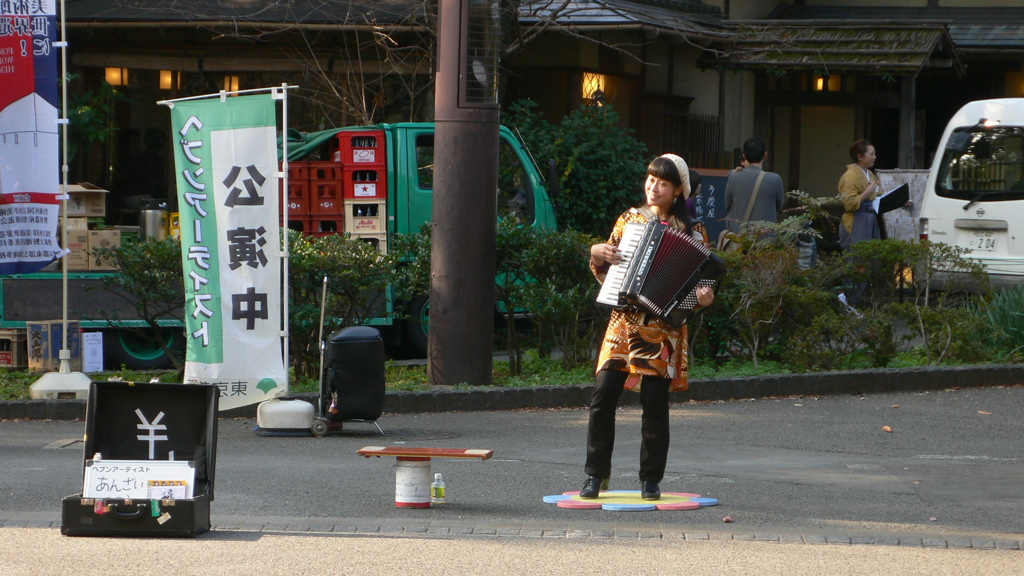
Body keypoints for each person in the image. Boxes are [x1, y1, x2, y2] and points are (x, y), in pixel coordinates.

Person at [581, 154, 715, 501]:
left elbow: (700, 288)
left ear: (678, 191)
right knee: (602, 396)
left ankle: (650, 479)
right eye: (651, 179)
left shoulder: (694, 233)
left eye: (663, 183)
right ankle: (595, 475)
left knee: (655, 405)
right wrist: (596, 253)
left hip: (661, 330)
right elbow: (606, 265)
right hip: (623, 324)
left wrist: (702, 299)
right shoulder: (629, 219)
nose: (653, 187)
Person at [723, 137, 785, 236]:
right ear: (765, 155)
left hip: (738, 240)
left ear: (744, 155)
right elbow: (779, 206)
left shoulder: (734, 177)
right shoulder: (774, 179)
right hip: (766, 240)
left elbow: (728, 205)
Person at [838, 138, 885, 250]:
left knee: (871, 255)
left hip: (870, 217)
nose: (875, 157)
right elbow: (849, 204)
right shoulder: (850, 176)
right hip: (857, 218)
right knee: (858, 256)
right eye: (872, 154)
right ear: (860, 157)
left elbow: (878, 193)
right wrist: (868, 191)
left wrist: (900, 200)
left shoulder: (869, 173)